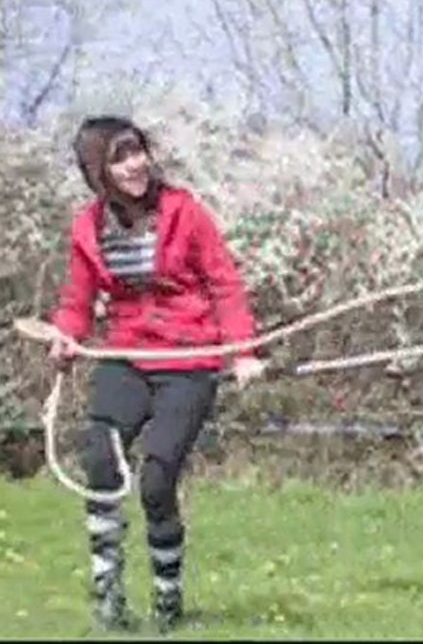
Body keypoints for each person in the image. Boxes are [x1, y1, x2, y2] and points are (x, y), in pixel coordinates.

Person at [48, 115, 265, 632]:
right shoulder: (88, 227)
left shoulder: (184, 212)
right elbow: (78, 300)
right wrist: (65, 333)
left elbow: (224, 283)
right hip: (125, 355)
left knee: (157, 479)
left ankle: (168, 601)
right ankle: (109, 596)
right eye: (121, 157)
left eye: (139, 151)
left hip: (188, 361)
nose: (135, 164)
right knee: (101, 460)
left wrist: (243, 352)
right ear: (98, 170)